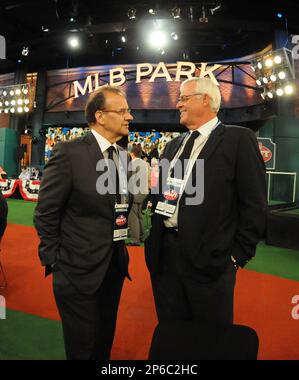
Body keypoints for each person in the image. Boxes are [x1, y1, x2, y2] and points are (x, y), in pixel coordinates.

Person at [145, 77, 267, 325]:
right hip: (165, 257)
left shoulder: (238, 139)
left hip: (211, 261)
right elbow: (166, 194)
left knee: (210, 340)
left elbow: (254, 203)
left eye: (183, 98)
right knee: (173, 333)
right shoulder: (173, 146)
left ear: (206, 100)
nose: (178, 104)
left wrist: (237, 256)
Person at [34, 86, 133, 360]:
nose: (130, 116)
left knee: (103, 344)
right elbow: (45, 211)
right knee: (82, 349)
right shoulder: (69, 153)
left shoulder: (122, 157)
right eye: (122, 111)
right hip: (76, 272)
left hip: (113, 268)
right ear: (100, 116)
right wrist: (56, 259)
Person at [128, 145, 150, 245]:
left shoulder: (133, 163)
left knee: (133, 216)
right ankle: (142, 236)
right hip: (144, 191)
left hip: (136, 192)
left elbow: (128, 178)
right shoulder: (145, 163)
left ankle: (135, 239)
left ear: (132, 154)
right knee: (139, 214)